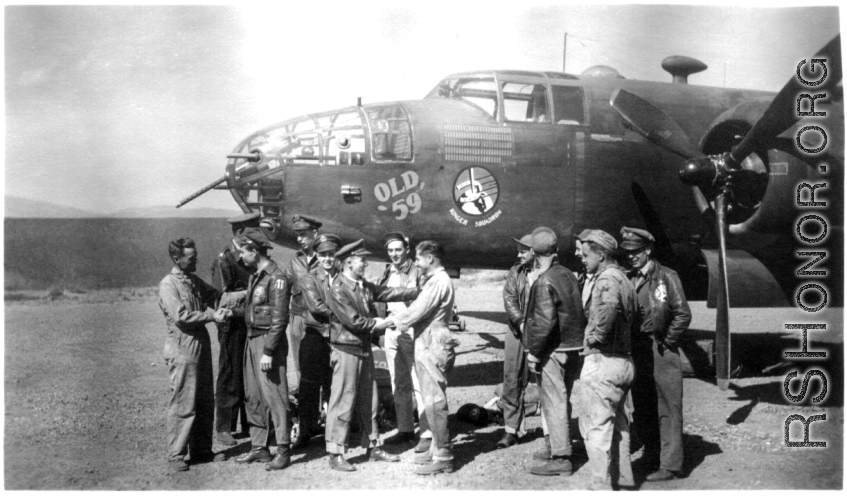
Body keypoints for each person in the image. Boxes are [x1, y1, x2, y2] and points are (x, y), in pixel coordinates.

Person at [324, 240, 420, 472]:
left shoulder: (362, 285)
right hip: (347, 351)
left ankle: (373, 445)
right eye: (362, 260)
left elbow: (387, 292)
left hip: (363, 348)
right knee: (343, 401)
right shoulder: (338, 288)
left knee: (371, 400)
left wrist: (418, 291)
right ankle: (335, 452)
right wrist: (381, 323)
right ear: (348, 261)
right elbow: (354, 321)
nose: (366, 263)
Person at [620, 226, 691, 482]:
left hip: (660, 348)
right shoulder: (629, 278)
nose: (631, 256)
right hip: (638, 349)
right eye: (627, 252)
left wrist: (668, 341)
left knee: (668, 406)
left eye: (636, 251)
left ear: (648, 250)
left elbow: (683, 314)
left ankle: (671, 465)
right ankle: (652, 454)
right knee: (643, 405)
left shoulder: (667, 277)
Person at [573, 230, 637, 490]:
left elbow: (609, 309)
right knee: (620, 425)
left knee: (595, 426)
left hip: (604, 361)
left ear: (601, 255)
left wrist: (595, 337)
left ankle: (600, 486)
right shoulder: (624, 278)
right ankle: (624, 479)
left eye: (586, 255)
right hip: (624, 362)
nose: (582, 259)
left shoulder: (606, 280)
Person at [388, 240, 458, 475]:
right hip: (429, 338)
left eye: (418, 259)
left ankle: (444, 454)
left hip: (432, 340)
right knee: (430, 397)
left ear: (430, 259)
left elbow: (418, 309)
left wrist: (390, 322)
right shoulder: (436, 280)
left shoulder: (437, 281)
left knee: (435, 400)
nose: (416, 263)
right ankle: (438, 447)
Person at [157, 237, 226, 472]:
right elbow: (181, 317)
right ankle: (176, 454)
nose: (195, 260)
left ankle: (202, 450)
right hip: (182, 346)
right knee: (183, 401)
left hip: (201, 345)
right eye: (191, 258)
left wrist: (236, 297)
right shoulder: (168, 285)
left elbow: (215, 295)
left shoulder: (193, 281)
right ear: (177, 259)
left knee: (205, 399)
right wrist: (211, 316)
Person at [522, 227, 586, 476]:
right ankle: (558, 446)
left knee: (554, 403)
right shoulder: (568, 274)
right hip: (572, 348)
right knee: (562, 399)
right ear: (556, 250)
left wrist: (534, 353)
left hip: (553, 351)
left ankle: (561, 457)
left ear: (534, 253)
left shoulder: (544, 280)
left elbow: (545, 322)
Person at [231, 228, 292, 471]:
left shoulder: (276, 278)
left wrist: (268, 351)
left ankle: (284, 449)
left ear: (254, 252)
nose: (240, 258)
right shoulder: (255, 275)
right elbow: (253, 309)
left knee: (275, 396)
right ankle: (259, 447)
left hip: (268, 342)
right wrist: (231, 313)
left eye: (243, 252)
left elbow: (279, 319)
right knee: (253, 395)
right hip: (252, 338)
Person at [374, 231, 428, 449]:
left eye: (398, 250)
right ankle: (405, 429)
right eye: (390, 250)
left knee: (419, 383)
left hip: (410, 331)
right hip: (391, 331)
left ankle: (426, 433)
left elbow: (422, 299)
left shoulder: (417, 271)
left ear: (407, 249)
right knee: (398, 383)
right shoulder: (387, 271)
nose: (394, 254)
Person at [209, 212, 259, 446]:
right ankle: (224, 428)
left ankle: (249, 423)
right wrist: (251, 294)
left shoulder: (253, 256)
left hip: (250, 322)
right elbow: (220, 298)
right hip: (232, 326)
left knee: (248, 374)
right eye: (252, 232)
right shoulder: (225, 260)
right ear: (240, 233)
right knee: (230, 374)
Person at [294, 233, 342, 450]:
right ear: (317, 256)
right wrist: (347, 314)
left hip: (339, 337)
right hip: (315, 337)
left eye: (331, 254)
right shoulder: (310, 278)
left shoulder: (343, 277)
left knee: (335, 386)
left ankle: (335, 433)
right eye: (323, 254)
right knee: (309, 388)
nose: (327, 258)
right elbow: (316, 308)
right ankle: (305, 432)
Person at [496, 234, 534, 450]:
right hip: (517, 330)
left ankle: (552, 434)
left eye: (523, 250)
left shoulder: (548, 273)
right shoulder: (515, 271)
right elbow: (510, 298)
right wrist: (520, 322)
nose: (518, 254)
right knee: (512, 379)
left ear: (534, 251)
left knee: (547, 381)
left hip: (540, 332)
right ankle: (511, 430)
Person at [284, 214, 323, 399]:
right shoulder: (295, 261)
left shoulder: (326, 259)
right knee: (301, 365)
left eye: (303, 234)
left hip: (320, 320)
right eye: (297, 235)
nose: (299, 239)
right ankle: (308, 413)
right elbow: (284, 289)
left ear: (314, 233)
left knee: (323, 365)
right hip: (298, 319)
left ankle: (325, 409)